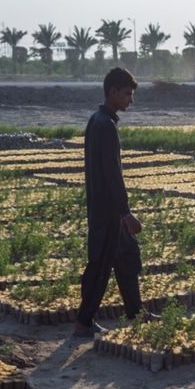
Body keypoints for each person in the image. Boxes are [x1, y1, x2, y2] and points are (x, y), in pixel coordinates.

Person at [73, 67, 145, 337]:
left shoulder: (99, 121)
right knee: (99, 268)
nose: (130, 100)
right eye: (127, 94)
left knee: (127, 259)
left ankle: (136, 313)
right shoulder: (104, 126)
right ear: (112, 91)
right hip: (108, 214)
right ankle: (83, 322)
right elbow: (112, 173)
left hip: (107, 211)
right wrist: (125, 213)